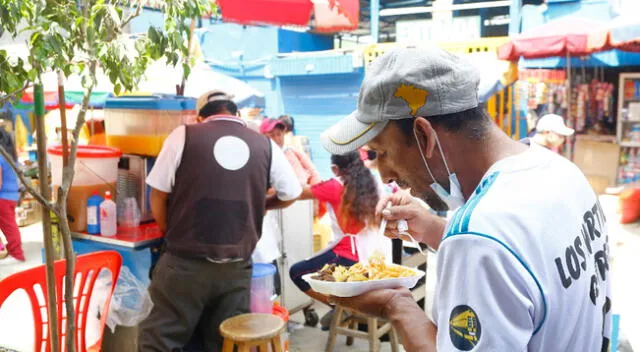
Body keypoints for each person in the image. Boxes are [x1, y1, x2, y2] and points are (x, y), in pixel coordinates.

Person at [320, 47, 611, 351]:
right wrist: (435, 229)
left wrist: (397, 306)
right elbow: (526, 264)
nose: (384, 176)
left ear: (423, 135)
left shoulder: (478, 238)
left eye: (382, 153)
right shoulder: (562, 171)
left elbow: (489, 248)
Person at [139, 91, 302, 352]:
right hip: (235, 267)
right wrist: (261, 205)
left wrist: (167, 229)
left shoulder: (184, 135)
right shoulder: (265, 145)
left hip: (184, 263)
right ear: (237, 116)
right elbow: (291, 193)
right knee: (225, 341)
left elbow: (157, 193)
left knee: (161, 340)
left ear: (201, 117)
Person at [289, 151, 391, 329]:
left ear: (335, 169)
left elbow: (295, 192)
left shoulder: (334, 185)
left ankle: (342, 307)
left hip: (349, 257)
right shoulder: (373, 181)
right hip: (375, 256)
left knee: (296, 272)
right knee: (324, 269)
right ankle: (344, 305)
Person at [261, 118, 321, 186]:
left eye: (279, 134)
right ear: (263, 137)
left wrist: (313, 191)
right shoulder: (263, 158)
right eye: (272, 135)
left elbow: (314, 173)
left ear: (283, 133)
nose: (277, 138)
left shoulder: (292, 151)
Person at [0, 129, 24, 261]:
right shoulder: (11, 157)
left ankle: (16, 253)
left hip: (2, 197)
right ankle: (12, 251)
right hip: (12, 196)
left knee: (9, 227)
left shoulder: (0, 157)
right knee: (10, 225)